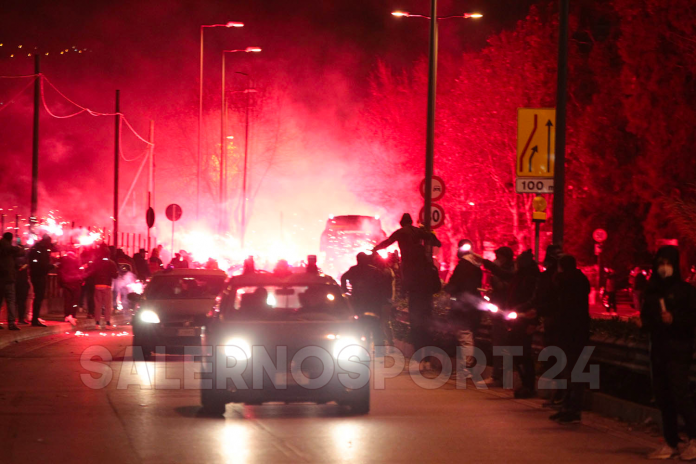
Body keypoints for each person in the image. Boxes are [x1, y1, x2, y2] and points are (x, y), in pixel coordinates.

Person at [641, 246, 696, 460]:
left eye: (668, 263)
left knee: (679, 395)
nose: (664, 267)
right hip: (659, 349)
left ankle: (694, 438)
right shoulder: (653, 291)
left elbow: (691, 319)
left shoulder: (686, 291)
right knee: (663, 397)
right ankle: (671, 442)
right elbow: (648, 318)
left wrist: (675, 319)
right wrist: (644, 323)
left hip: (679, 348)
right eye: (660, 263)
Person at [373, 213, 442, 358]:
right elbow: (435, 241)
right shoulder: (418, 233)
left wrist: (375, 248)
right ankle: (427, 353)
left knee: (415, 319)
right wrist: (433, 238)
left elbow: (388, 241)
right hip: (424, 290)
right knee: (426, 320)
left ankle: (420, 353)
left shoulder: (401, 233)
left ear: (401, 222)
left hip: (411, 274)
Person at [549, 255, 590, 424]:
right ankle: (571, 407)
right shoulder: (581, 280)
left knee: (569, 370)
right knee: (574, 370)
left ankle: (570, 407)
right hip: (579, 330)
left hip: (568, 331)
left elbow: (558, 305)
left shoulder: (564, 282)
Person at [444, 239, 483, 374]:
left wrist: (446, 287)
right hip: (474, 305)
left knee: (464, 335)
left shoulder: (463, 266)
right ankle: (466, 365)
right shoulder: (477, 267)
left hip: (462, 306)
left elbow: (455, 284)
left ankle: (466, 367)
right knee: (469, 334)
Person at [507, 249, 541, 398]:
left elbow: (534, 300)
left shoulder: (530, 277)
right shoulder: (520, 276)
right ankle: (524, 383)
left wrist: (531, 320)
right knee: (517, 351)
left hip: (524, 319)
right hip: (517, 318)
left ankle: (528, 385)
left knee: (524, 353)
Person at [480, 246, 515, 386]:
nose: (496, 260)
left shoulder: (509, 273)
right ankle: (499, 375)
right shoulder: (505, 273)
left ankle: (499, 376)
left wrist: (495, 283)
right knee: (498, 343)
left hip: (505, 314)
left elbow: (504, 287)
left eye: (499, 257)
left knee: (501, 343)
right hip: (500, 312)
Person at [28, 234, 55, 327]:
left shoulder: (36, 247)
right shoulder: (41, 249)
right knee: (38, 297)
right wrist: (52, 266)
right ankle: (35, 319)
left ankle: (35, 318)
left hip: (36, 275)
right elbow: (42, 265)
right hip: (39, 276)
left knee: (38, 297)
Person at [0, 232, 24, 330]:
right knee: (11, 300)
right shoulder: (8, 248)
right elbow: (21, 252)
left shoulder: (3, 248)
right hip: (8, 279)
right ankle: (11, 322)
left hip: (2, 279)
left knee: (0, 301)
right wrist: (20, 245)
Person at [91, 247, 118, 328]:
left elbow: (92, 273)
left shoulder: (96, 262)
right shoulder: (111, 263)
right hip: (107, 286)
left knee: (97, 305)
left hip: (97, 285)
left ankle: (97, 323)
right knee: (107, 305)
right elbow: (115, 275)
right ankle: (107, 323)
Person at [58, 251, 83, 326]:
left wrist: (60, 284)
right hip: (75, 283)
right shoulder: (76, 261)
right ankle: (73, 315)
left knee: (67, 301)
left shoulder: (63, 262)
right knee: (74, 301)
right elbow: (80, 270)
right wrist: (81, 280)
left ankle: (66, 315)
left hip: (66, 284)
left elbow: (60, 272)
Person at [15, 239, 30, 324]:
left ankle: (16, 318)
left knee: (17, 301)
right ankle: (21, 318)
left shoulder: (13, 258)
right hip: (22, 281)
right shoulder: (23, 259)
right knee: (21, 301)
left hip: (17, 281)